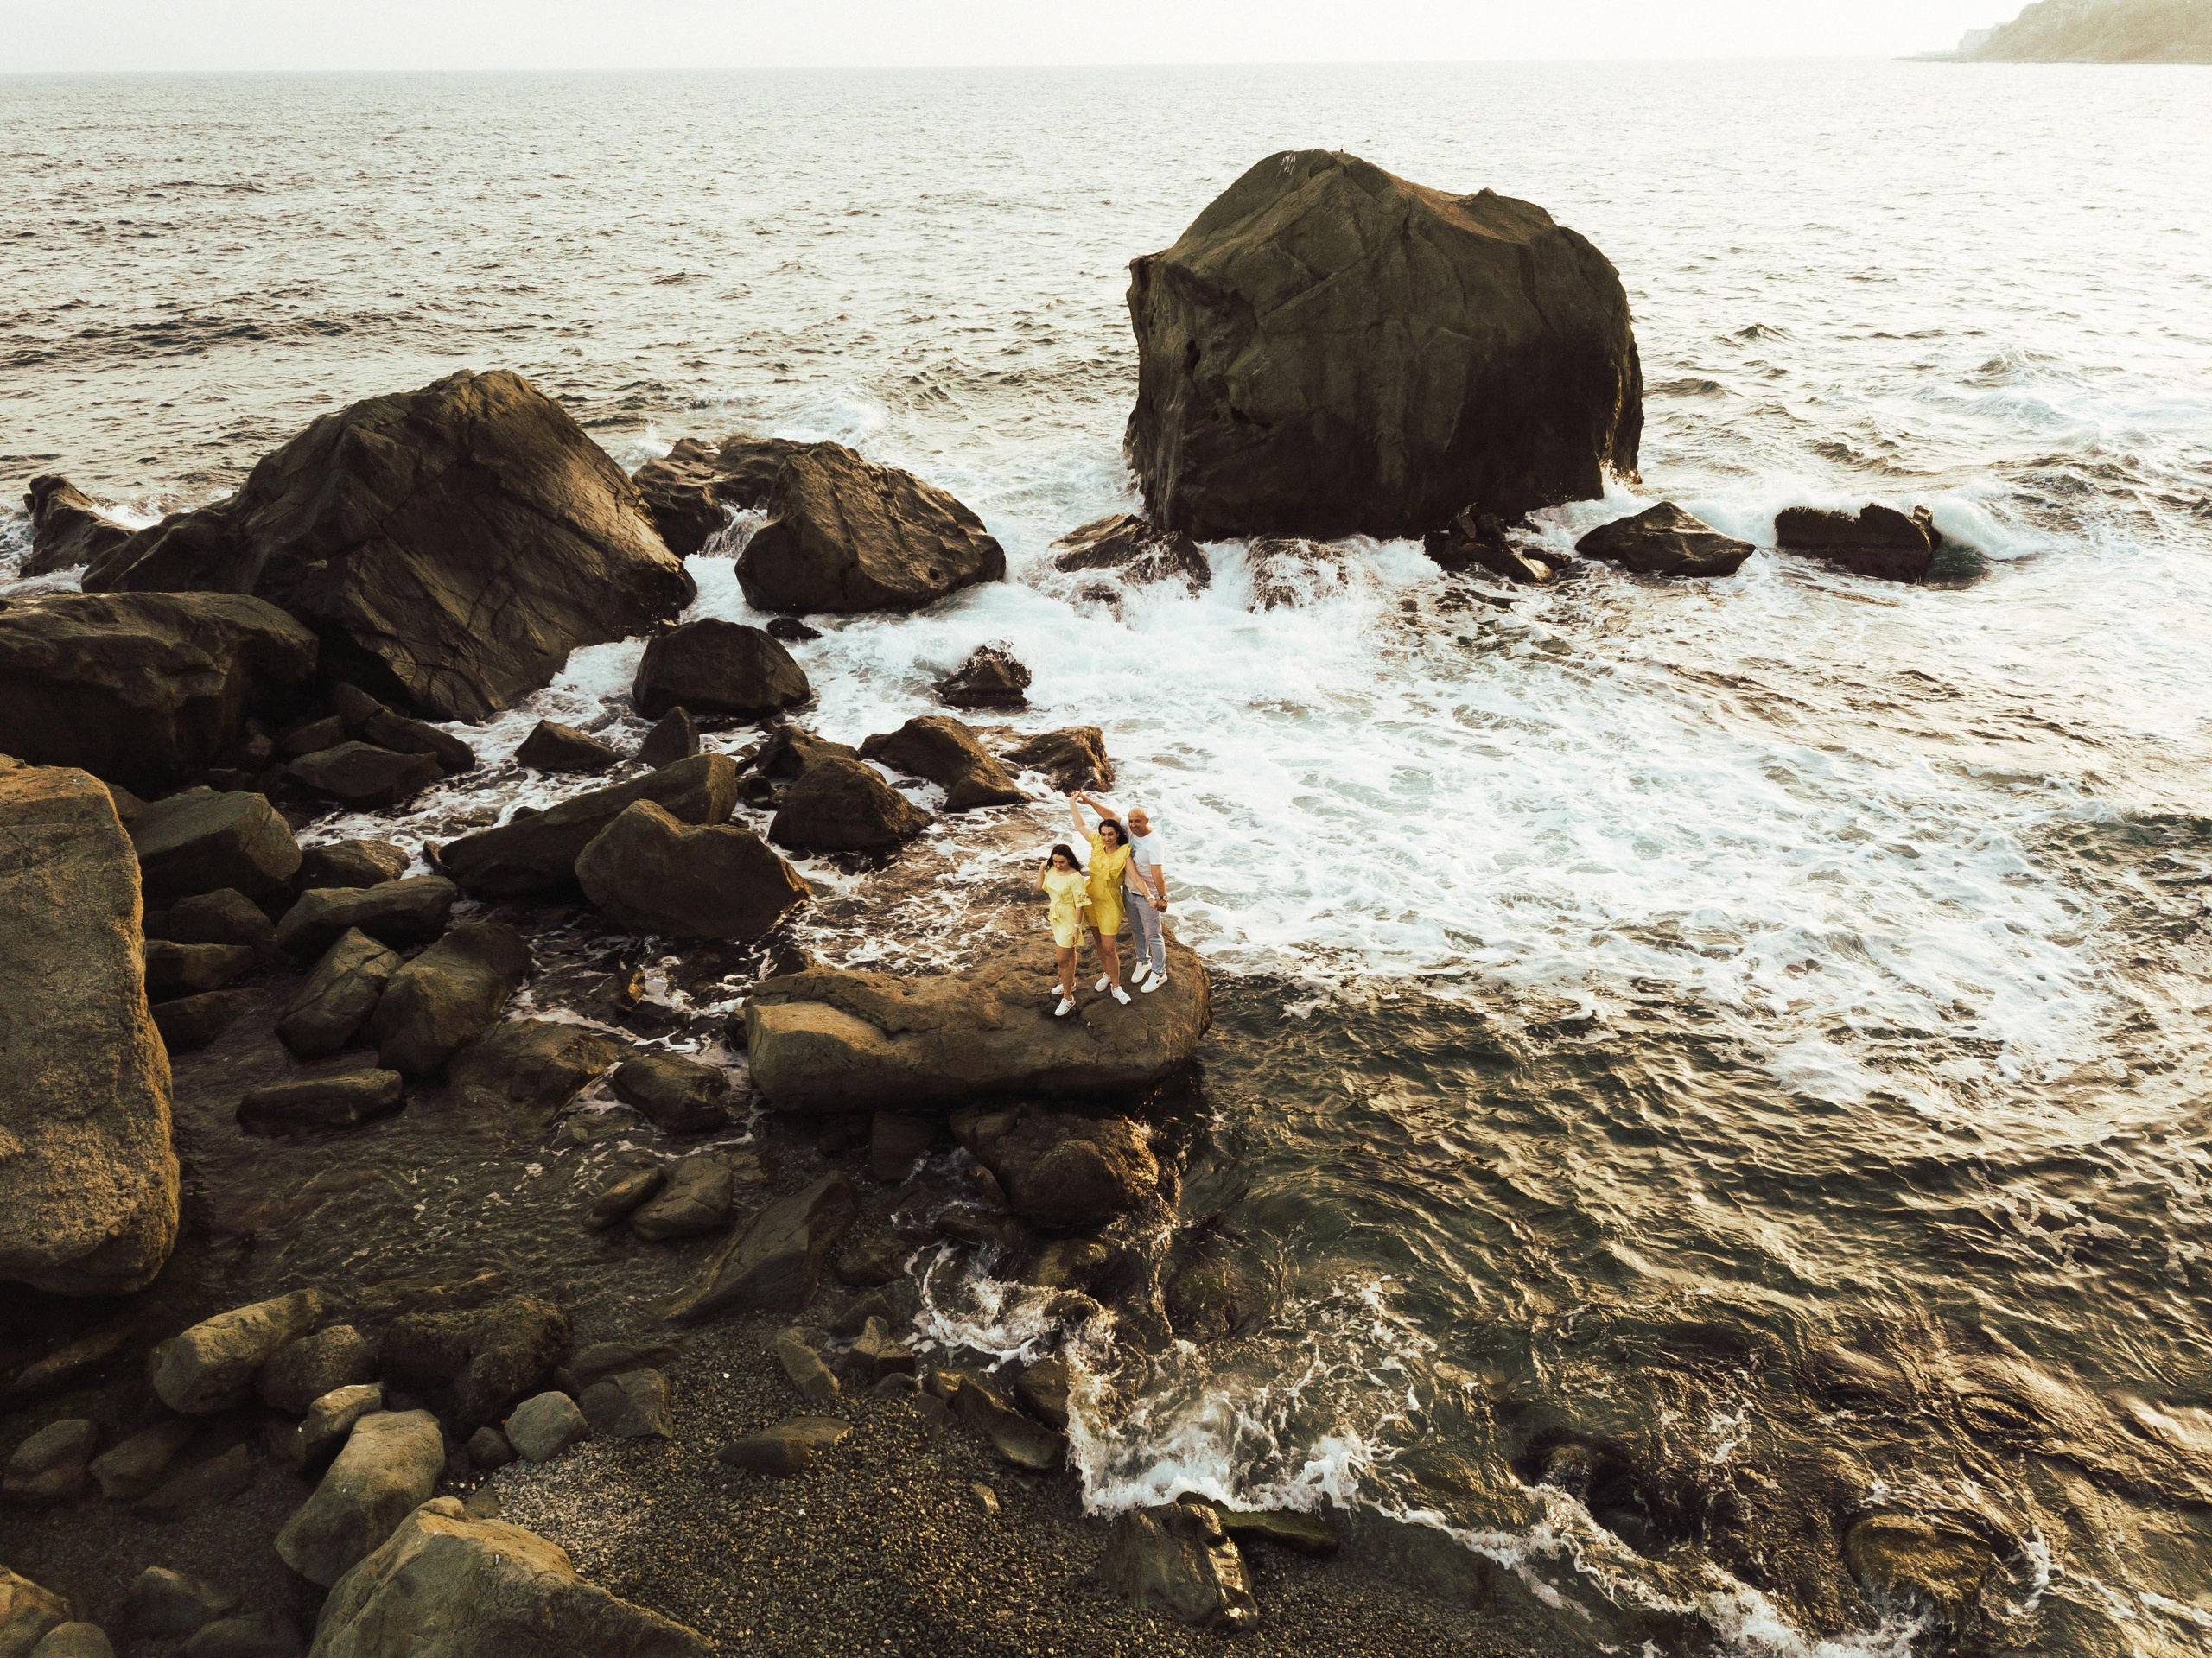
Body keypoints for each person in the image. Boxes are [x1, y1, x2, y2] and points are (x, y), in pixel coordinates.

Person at [1080, 791, 1170, 991]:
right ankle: (1143, 961)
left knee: (1153, 935)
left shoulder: (1155, 843)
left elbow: (1157, 872)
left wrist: (1162, 898)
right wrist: (1089, 801)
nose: (1133, 824)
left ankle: (1159, 972)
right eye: (1131, 821)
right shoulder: (1130, 831)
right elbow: (1109, 816)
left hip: (1149, 895)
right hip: (1129, 892)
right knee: (1137, 930)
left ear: (1146, 820)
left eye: (1138, 821)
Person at [1070, 793, 1134, 1004]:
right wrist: (1073, 804)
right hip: (1091, 898)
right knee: (1097, 942)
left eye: (1110, 834)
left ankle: (1117, 986)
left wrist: (1153, 895)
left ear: (1117, 834)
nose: (1106, 837)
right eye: (1104, 834)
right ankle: (1107, 975)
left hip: (1111, 902)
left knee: (1109, 947)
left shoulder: (1125, 852)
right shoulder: (1097, 842)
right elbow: (1081, 826)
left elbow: (1136, 877)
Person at [1034, 842, 1093, 1017]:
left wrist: (1076, 928)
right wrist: (1041, 868)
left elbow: (1080, 905)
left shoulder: (1075, 877)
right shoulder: (1052, 870)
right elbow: (1039, 887)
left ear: (1070, 860)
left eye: (1062, 862)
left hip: (1069, 920)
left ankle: (1068, 998)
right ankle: (1070, 984)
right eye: (1055, 861)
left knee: (1061, 960)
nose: (1059, 865)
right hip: (1056, 918)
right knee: (1069, 954)